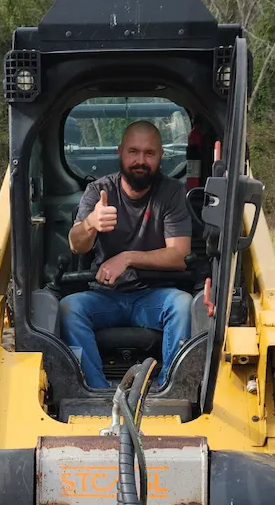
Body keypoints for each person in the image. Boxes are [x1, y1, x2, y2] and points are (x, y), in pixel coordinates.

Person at [61, 120, 192, 389]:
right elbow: (77, 245)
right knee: (69, 308)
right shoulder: (98, 191)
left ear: (160, 156)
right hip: (105, 296)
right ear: (120, 152)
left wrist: (127, 257)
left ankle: (168, 389)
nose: (140, 160)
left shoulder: (171, 193)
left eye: (149, 153)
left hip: (153, 297)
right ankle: (96, 391)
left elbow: (179, 254)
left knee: (183, 304)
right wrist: (90, 223)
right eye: (133, 151)